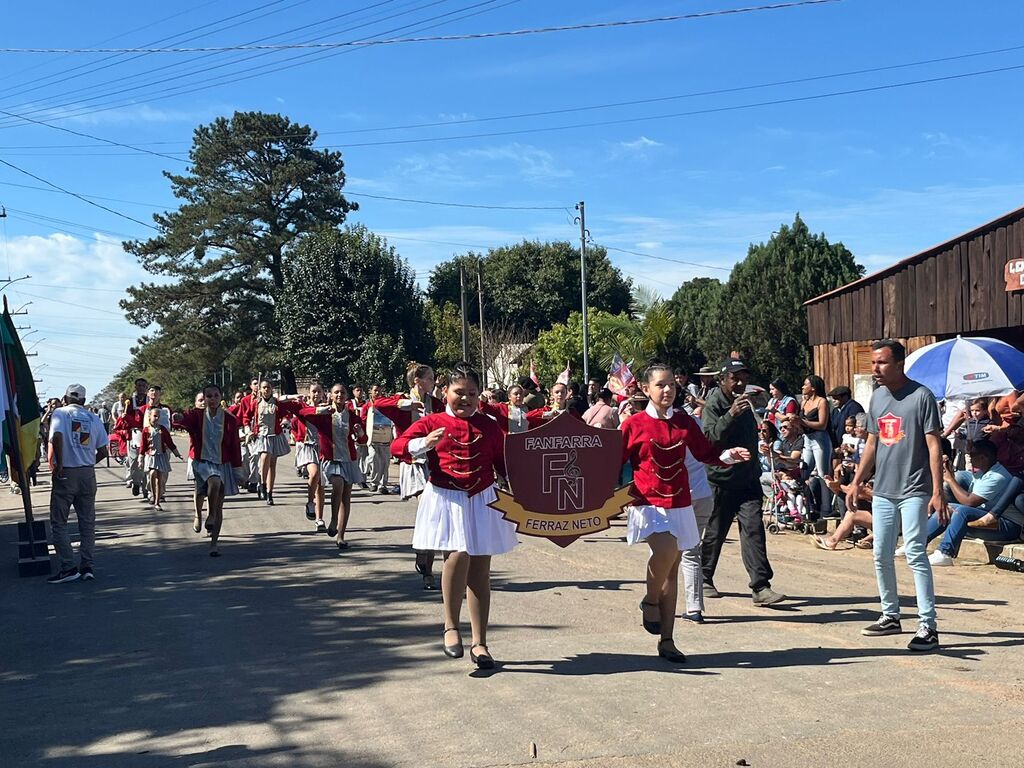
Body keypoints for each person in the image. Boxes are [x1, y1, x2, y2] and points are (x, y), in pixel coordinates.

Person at [391, 362, 515, 669]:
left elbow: (504, 461)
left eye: (472, 393)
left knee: (480, 572)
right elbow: (398, 446)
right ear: (445, 391)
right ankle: (450, 625)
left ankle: (480, 642)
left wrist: (517, 486)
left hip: (483, 497)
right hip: (447, 497)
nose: (466, 399)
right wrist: (424, 443)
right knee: (457, 554)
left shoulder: (488, 424)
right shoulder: (432, 421)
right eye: (460, 392)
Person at [847, 339, 945, 652]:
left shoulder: (921, 396)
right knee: (880, 553)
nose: (875, 368)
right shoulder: (876, 398)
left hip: (915, 488)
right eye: (873, 363)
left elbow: (933, 446)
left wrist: (937, 491)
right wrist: (856, 481)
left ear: (899, 363)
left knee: (915, 553)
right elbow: (873, 444)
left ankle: (928, 626)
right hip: (884, 491)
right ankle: (890, 615)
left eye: (881, 363)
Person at [701, 359, 786, 606]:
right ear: (723, 379)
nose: (740, 383)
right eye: (734, 378)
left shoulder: (747, 402)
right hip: (721, 480)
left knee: (754, 530)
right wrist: (730, 415)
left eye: (743, 378)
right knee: (715, 532)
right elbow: (709, 439)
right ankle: (704, 577)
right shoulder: (715, 404)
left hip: (747, 480)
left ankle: (760, 587)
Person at [375, 364, 446, 588]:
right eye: (430, 378)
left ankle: (427, 565)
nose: (433, 381)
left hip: (434, 462)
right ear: (418, 380)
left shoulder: (435, 403)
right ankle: (422, 551)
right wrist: (404, 404)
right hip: (413, 461)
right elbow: (376, 403)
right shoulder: (402, 399)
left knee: (433, 514)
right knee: (428, 505)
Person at [47, 384, 109, 583]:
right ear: (83, 401)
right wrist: (88, 463)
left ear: (65, 398)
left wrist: (60, 465)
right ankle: (87, 566)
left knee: (59, 522)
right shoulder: (94, 418)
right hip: (87, 473)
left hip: (67, 472)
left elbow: (56, 437)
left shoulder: (60, 413)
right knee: (87, 523)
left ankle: (68, 567)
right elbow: (103, 451)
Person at [921, 439, 1016, 566]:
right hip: (989, 519)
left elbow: (970, 502)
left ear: (983, 458)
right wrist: (949, 472)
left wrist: (949, 479)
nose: (970, 459)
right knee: (949, 507)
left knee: (961, 511)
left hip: (1008, 526)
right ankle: (918, 542)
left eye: (972, 455)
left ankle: (945, 553)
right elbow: (961, 482)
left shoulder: (997, 476)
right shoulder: (983, 471)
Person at [178, 384, 243, 557]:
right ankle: (204, 514)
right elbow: (182, 419)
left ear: (220, 397)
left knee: (219, 503)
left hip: (223, 463)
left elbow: (235, 446)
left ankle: (214, 543)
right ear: (204, 399)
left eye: (215, 395)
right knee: (211, 483)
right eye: (208, 396)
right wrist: (177, 416)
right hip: (203, 462)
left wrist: (238, 470)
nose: (212, 399)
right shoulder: (198, 415)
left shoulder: (229, 420)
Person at [299, 383, 366, 549]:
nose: (339, 395)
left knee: (346, 497)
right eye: (336, 392)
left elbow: (363, 440)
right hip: (330, 459)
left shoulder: (352, 415)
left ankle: (341, 536)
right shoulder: (325, 413)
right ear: (330, 395)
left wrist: (360, 434)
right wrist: (319, 410)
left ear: (346, 395)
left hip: (348, 459)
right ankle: (334, 519)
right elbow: (302, 413)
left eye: (342, 392)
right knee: (338, 483)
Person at [247, 380, 302, 505]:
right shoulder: (256, 403)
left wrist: (284, 420)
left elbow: (285, 413)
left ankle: (269, 492)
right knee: (265, 456)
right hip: (261, 436)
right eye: (264, 387)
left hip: (274, 436)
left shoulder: (276, 403)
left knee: (272, 464)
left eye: (269, 387)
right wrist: (248, 431)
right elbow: (246, 417)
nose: (266, 390)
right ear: (260, 389)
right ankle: (262, 483)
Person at [293, 383, 328, 527]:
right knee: (314, 474)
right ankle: (309, 501)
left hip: (322, 448)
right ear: (309, 393)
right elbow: (296, 422)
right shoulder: (303, 407)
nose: (316, 394)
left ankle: (319, 519)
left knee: (321, 484)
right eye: (314, 391)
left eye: (319, 391)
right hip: (308, 446)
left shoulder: (327, 408)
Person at [799, 375, 833, 515]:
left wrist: (802, 422)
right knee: (803, 472)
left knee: (822, 473)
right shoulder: (804, 402)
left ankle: (826, 508)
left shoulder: (822, 402)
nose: (802, 387)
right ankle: (808, 507)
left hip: (820, 439)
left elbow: (822, 424)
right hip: (807, 438)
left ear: (813, 387)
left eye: (805, 384)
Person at [140, 407, 182, 512]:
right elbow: (143, 445)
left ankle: (157, 501)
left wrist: (177, 454)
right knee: (152, 473)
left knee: (160, 479)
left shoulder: (162, 429)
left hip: (161, 456)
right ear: (149, 417)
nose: (156, 418)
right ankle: (153, 496)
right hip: (151, 456)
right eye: (154, 415)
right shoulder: (146, 430)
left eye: (158, 416)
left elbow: (169, 442)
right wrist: (140, 458)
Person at [363, 384, 396, 494]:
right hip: (371, 438)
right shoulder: (367, 406)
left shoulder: (386, 404)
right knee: (373, 459)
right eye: (375, 390)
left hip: (385, 437)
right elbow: (363, 420)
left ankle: (383, 485)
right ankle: (374, 482)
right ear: (370, 392)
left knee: (385, 462)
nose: (377, 393)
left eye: (379, 391)